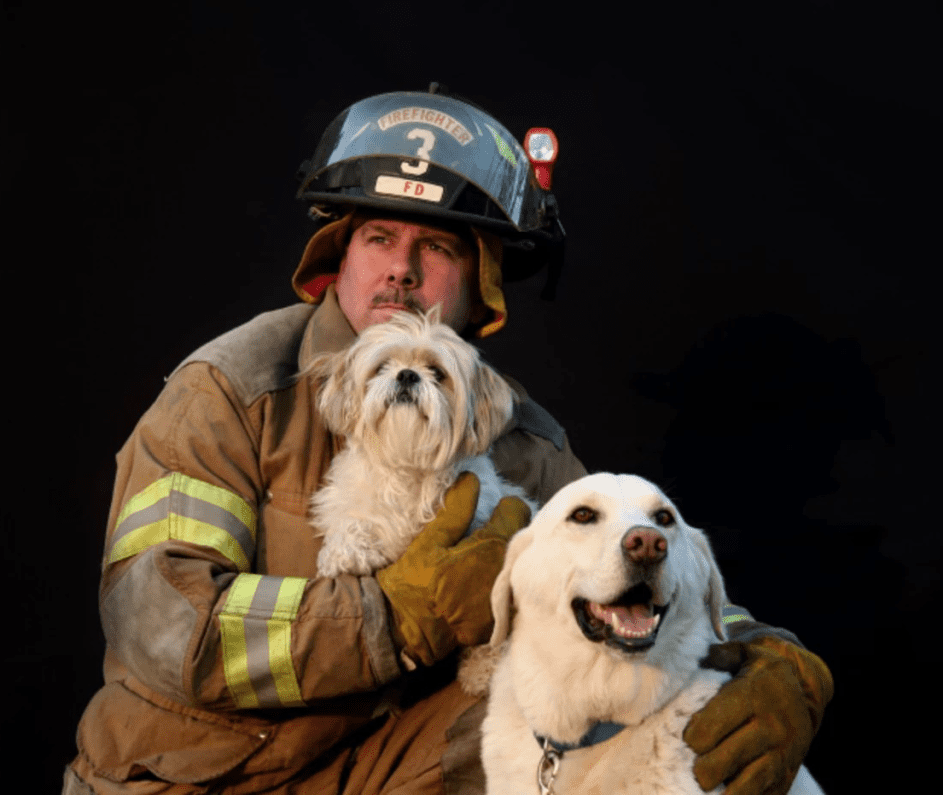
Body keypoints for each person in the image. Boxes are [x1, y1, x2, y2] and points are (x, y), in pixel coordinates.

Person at [63, 87, 832, 795]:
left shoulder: (521, 441)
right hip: (189, 776)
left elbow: (622, 573)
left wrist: (768, 657)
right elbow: (166, 626)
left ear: (480, 284)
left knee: (609, 717)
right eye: (377, 236)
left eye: (436, 247)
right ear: (338, 258)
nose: (400, 269)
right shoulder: (227, 392)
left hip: (389, 768)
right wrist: (392, 615)